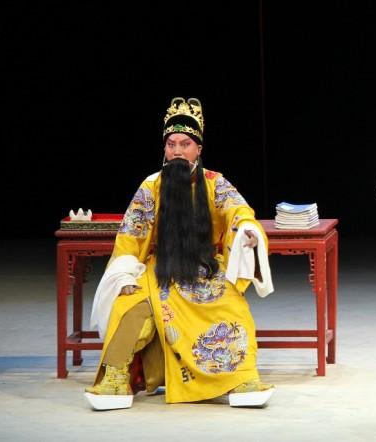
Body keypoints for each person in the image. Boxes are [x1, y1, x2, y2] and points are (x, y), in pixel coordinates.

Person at [84, 97, 275, 410]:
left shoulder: (215, 183)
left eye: (185, 144)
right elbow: (131, 234)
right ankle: (115, 379)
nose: (177, 151)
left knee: (232, 308)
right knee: (130, 309)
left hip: (204, 270)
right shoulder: (151, 186)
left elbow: (238, 210)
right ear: (164, 148)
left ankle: (240, 379)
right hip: (159, 271)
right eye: (171, 144)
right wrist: (124, 275)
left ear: (198, 148)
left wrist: (246, 230)